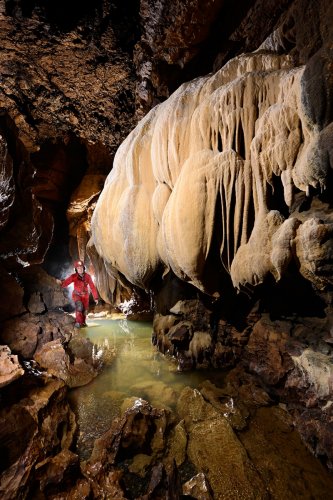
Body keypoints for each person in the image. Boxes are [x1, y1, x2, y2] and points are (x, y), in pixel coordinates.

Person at [59, 260, 99, 328]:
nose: (80, 269)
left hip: (85, 296)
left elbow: (92, 287)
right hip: (76, 295)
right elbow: (66, 283)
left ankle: (83, 322)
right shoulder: (73, 276)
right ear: (76, 269)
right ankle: (78, 322)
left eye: (81, 267)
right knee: (79, 306)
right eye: (78, 268)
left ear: (84, 268)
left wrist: (96, 297)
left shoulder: (88, 276)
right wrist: (60, 283)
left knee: (85, 311)